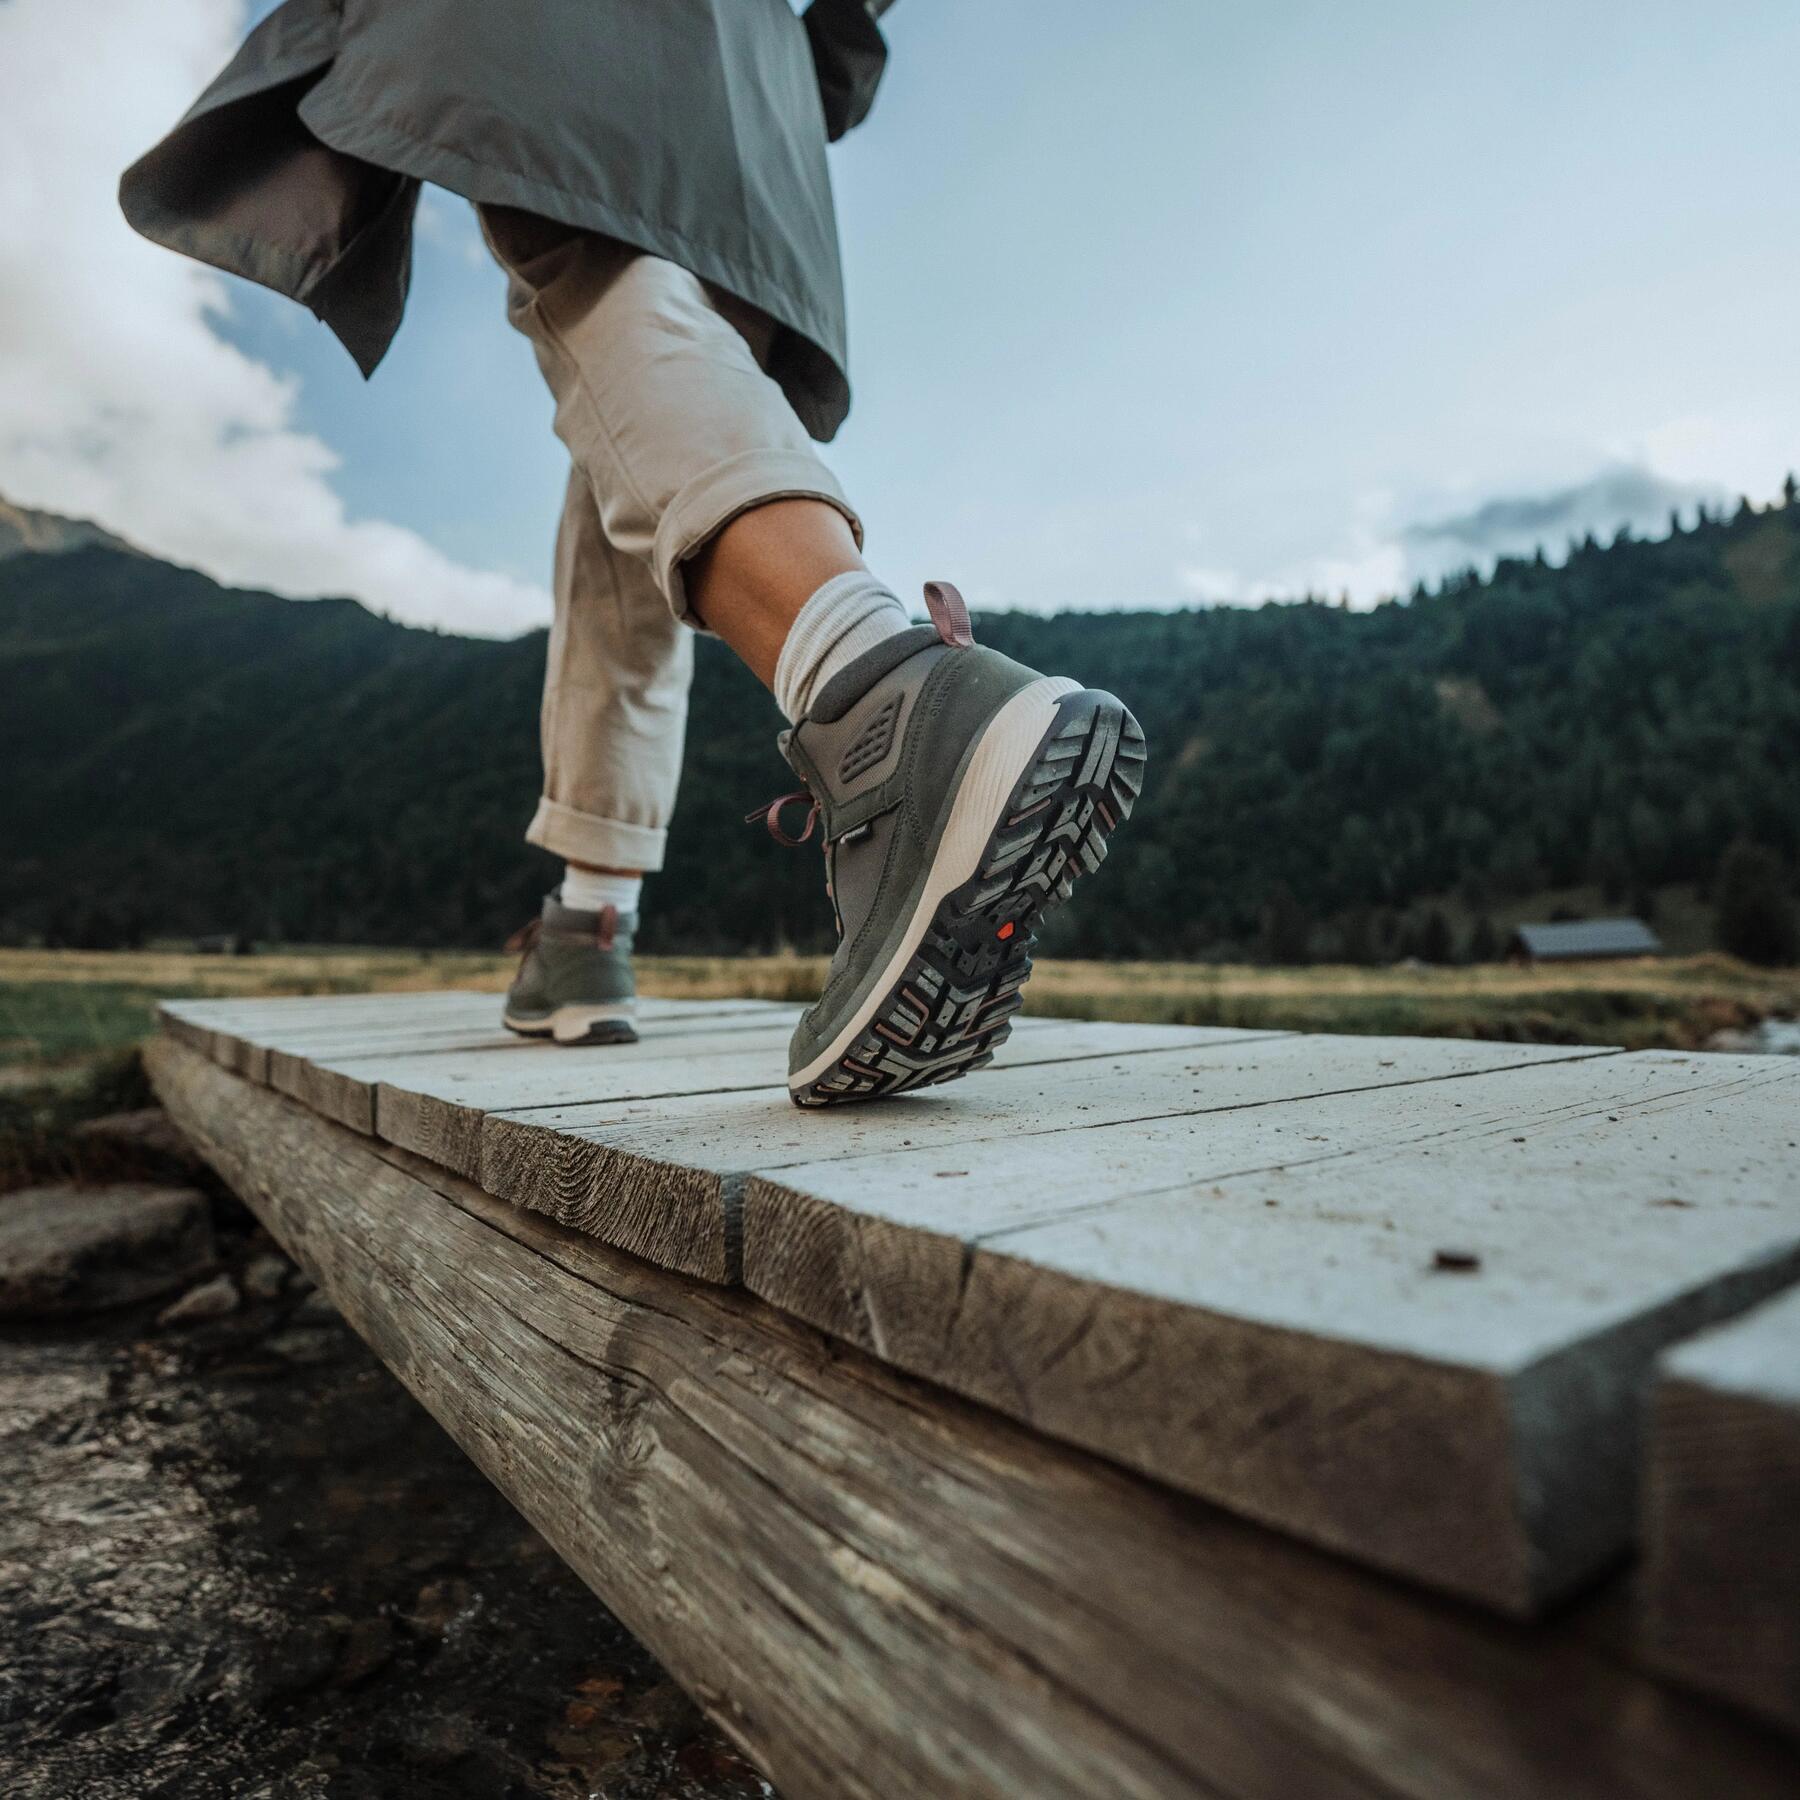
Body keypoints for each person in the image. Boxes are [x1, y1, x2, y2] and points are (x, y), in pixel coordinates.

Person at [120, 0, 1144, 1107]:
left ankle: (880, 702)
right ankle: (590, 919)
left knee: (606, 287)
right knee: (633, 459)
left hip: (588, 41)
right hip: (756, 114)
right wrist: (822, 66)